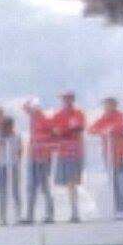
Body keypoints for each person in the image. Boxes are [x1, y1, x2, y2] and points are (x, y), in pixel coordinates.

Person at [89, 97, 123, 218]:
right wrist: (103, 131)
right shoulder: (103, 119)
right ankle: (119, 209)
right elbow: (91, 129)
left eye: (109, 105)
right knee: (115, 182)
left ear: (114, 105)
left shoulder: (121, 116)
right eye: (105, 105)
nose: (107, 107)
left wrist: (112, 129)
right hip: (110, 156)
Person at [51, 90, 87, 221]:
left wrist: (64, 131)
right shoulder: (58, 115)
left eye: (69, 98)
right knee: (67, 184)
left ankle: (75, 212)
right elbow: (54, 131)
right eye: (65, 99)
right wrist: (65, 130)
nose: (67, 101)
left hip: (75, 152)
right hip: (62, 152)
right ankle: (72, 211)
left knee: (73, 182)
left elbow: (78, 129)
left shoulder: (78, 114)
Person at [23, 99, 57, 224]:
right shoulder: (33, 119)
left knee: (44, 186)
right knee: (31, 186)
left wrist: (43, 146)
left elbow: (53, 136)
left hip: (43, 157)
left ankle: (49, 214)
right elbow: (25, 107)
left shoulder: (45, 120)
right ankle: (30, 215)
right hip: (32, 157)